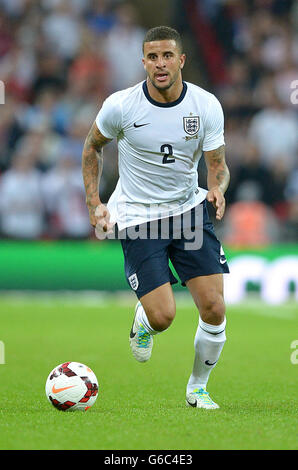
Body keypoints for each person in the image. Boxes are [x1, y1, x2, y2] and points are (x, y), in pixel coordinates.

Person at [82, 26, 230, 409]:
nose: (160, 64)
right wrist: (94, 202)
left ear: (181, 60)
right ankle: (145, 322)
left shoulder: (205, 105)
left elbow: (218, 166)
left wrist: (218, 188)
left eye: (167, 56)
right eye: (152, 57)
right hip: (138, 216)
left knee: (214, 308)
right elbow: (92, 147)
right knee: (164, 316)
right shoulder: (122, 105)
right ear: (143, 61)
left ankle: (197, 388)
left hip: (187, 211)